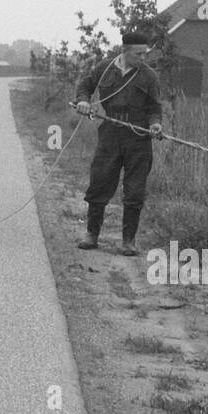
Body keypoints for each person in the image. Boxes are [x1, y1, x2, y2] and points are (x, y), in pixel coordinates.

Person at [74, 29, 163, 255]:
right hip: (110, 134)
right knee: (100, 182)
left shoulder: (149, 76)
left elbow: (155, 108)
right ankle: (92, 235)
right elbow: (85, 87)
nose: (143, 58)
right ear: (124, 51)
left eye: (145, 54)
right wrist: (83, 102)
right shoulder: (104, 68)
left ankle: (128, 241)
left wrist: (155, 125)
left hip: (138, 138)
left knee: (134, 190)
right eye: (138, 54)